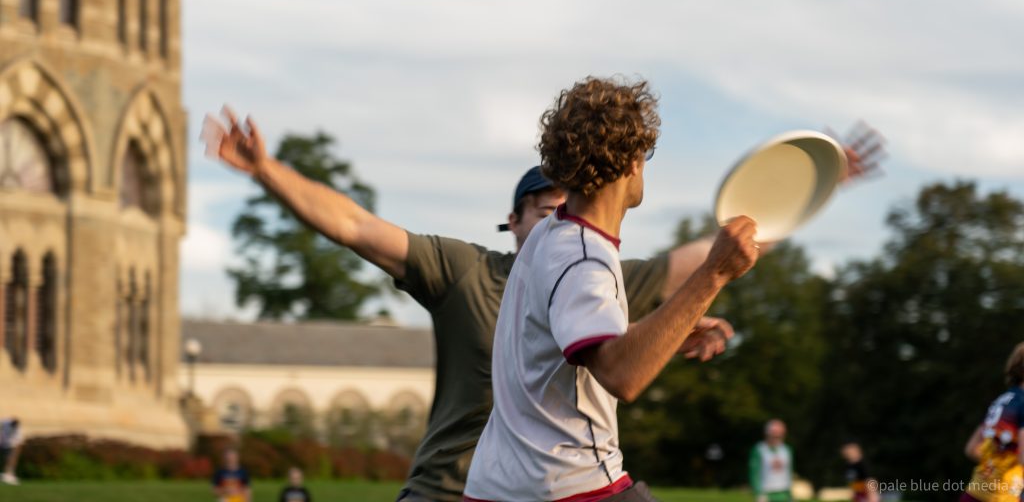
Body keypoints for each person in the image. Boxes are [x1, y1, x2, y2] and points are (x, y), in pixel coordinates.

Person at [203, 105, 883, 502]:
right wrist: (267, 169)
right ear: (514, 220)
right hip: (448, 490)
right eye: (546, 206)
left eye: (570, 201)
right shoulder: (464, 270)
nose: (565, 213)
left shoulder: (600, 272)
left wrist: (805, 188)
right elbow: (354, 225)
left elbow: (715, 253)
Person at [463, 76, 760, 501]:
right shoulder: (584, 256)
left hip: (496, 487)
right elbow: (622, 374)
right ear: (633, 162)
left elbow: (559, 341)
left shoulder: (550, 233)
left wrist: (665, 334)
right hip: (569, 484)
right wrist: (714, 273)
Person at [961, 342, 1024, 502]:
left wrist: (995, 465)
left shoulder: (1001, 400)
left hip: (974, 492)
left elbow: (971, 449)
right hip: (1003, 495)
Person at [749, 419, 793, 502]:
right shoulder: (759, 449)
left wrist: (790, 493)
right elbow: (754, 473)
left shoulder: (786, 450)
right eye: (774, 434)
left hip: (783, 493)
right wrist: (759, 492)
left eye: (779, 435)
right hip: (766, 493)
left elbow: (789, 472)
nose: (776, 437)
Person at [0, 418, 22, 486]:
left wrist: (16, 451)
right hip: (3, 444)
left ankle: (9, 474)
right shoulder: (5, 422)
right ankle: (7, 474)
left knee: (10, 460)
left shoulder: (18, 430)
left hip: (12, 445)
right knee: (6, 459)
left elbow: (18, 442)